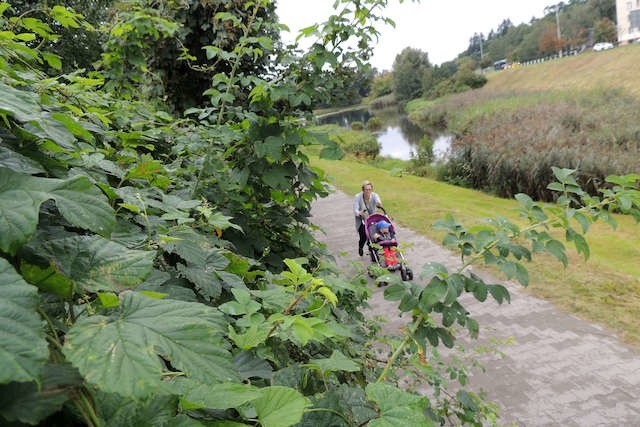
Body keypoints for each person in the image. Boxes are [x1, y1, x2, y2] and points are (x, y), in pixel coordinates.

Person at [353, 180, 382, 256]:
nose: (368, 191)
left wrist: (379, 203)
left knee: (373, 234)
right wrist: (360, 213)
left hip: (372, 219)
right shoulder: (357, 197)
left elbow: (378, 201)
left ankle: (372, 251)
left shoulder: (374, 195)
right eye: (366, 189)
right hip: (361, 219)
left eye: (370, 189)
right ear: (363, 190)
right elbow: (355, 210)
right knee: (363, 237)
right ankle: (360, 247)